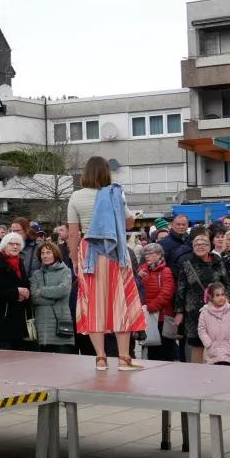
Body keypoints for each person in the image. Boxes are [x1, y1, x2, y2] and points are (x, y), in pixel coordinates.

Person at [67, 157, 146, 371]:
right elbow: (129, 222)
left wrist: (74, 259)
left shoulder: (75, 196)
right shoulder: (114, 193)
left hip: (88, 252)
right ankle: (123, 357)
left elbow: (73, 232)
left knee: (92, 303)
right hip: (114, 251)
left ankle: (100, 358)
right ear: (106, 173)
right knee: (121, 301)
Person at [174, 233, 230, 365]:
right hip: (194, 311)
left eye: (203, 244)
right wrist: (179, 312)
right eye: (196, 244)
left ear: (209, 246)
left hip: (217, 309)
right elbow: (180, 289)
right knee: (197, 344)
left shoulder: (218, 261)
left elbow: (227, 284)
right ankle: (197, 374)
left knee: (217, 343)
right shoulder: (187, 264)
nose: (200, 247)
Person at [0, 231, 31, 350]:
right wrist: (17, 292)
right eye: (11, 244)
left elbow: (24, 283)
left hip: (19, 314)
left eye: (18, 244)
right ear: (4, 246)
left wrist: (26, 291)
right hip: (4, 315)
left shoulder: (20, 263)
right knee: (6, 353)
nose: (15, 246)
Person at [31, 240, 75, 354]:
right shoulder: (36, 274)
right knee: (45, 364)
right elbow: (34, 297)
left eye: (48, 252)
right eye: (42, 253)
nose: (45, 255)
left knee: (64, 362)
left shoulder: (65, 271)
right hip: (43, 325)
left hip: (61, 322)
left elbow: (63, 290)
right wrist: (54, 296)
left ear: (55, 254)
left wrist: (42, 291)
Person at [137, 242, 177, 361]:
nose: (147, 256)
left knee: (165, 350)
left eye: (150, 253)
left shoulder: (165, 271)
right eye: (146, 254)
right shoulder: (143, 271)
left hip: (162, 317)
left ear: (159, 255)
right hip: (149, 317)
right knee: (152, 349)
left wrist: (150, 307)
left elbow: (167, 293)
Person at [197, 282, 230, 366]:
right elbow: (201, 329)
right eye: (217, 295)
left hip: (229, 351)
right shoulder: (204, 312)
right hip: (212, 352)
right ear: (211, 297)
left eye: (222, 294)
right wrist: (208, 343)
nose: (221, 297)